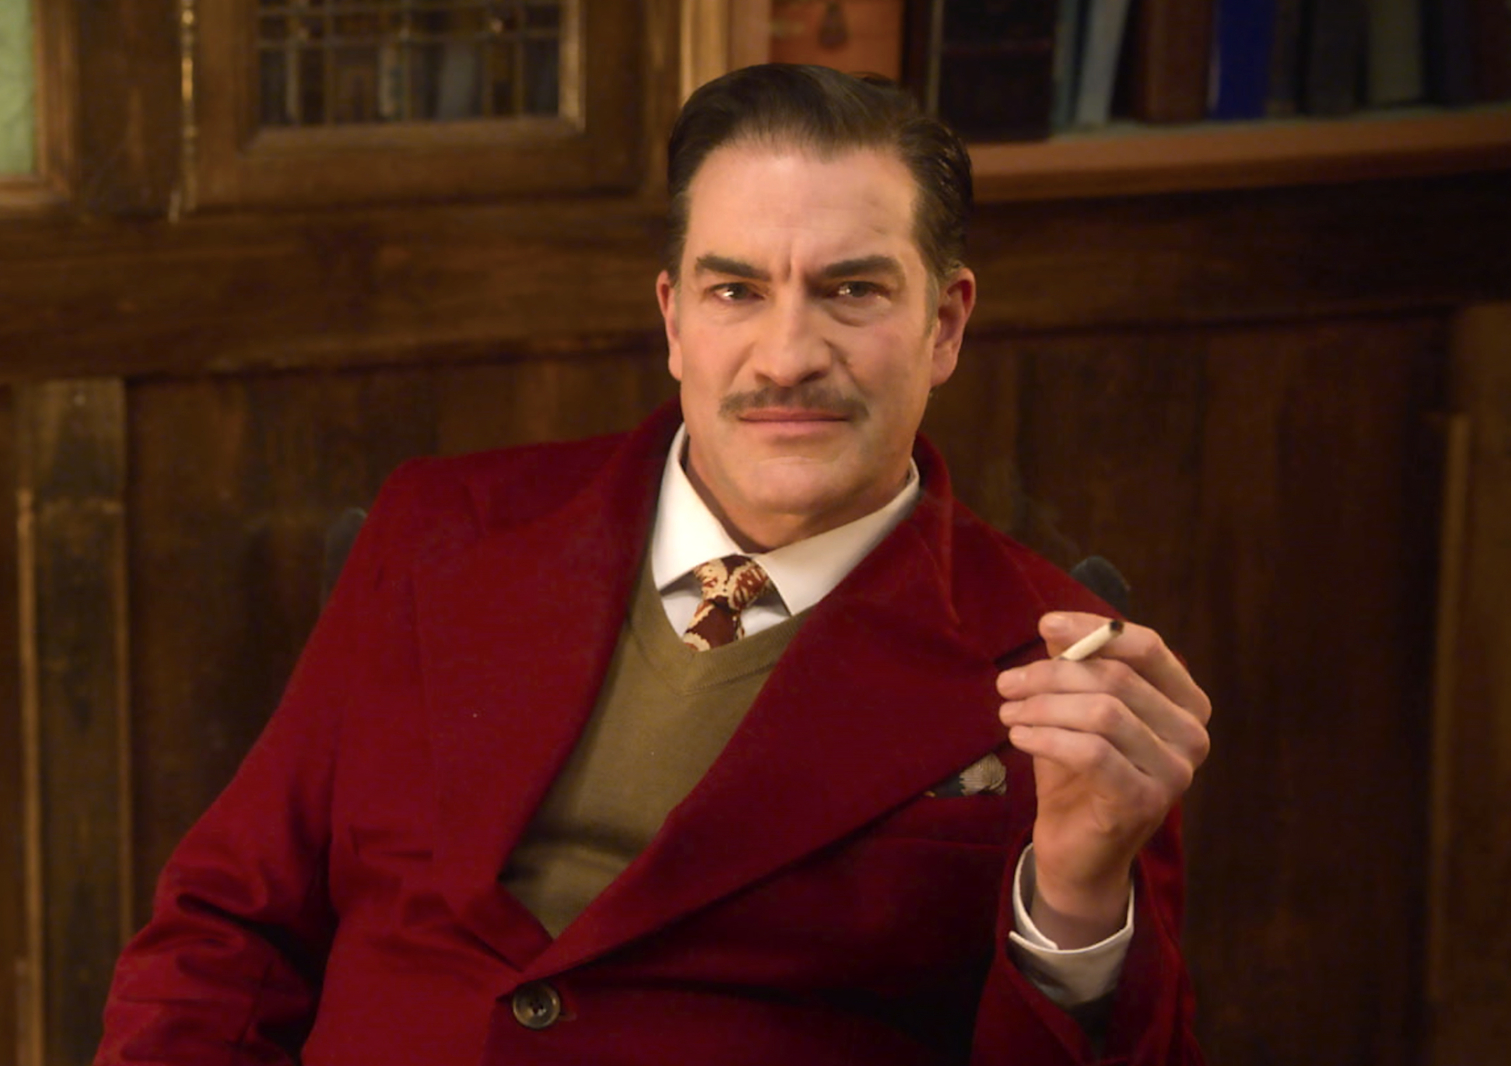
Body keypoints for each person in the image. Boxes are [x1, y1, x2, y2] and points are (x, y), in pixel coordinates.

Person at [96, 64, 1211, 1065]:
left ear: (945, 325)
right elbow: (227, 930)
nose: (788, 355)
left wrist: (1073, 905)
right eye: (736, 291)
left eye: (852, 291)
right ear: (675, 320)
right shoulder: (439, 528)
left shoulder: (1071, 671)